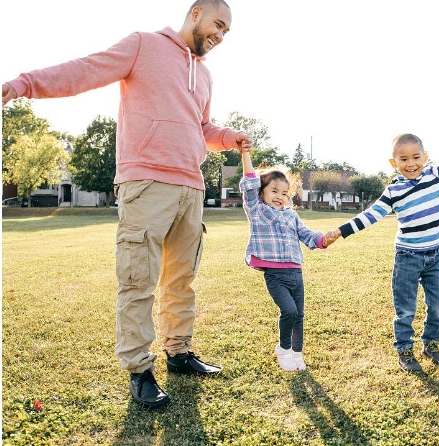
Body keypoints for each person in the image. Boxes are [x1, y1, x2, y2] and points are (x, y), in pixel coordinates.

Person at [2, 0, 254, 408]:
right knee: (138, 281)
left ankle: (179, 352)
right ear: (195, 13)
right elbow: (85, 70)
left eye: (227, 31)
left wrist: (228, 136)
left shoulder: (204, 74)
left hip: (191, 188)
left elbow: (200, 125)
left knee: (181, 279)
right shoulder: (143, 45)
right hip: (146, 184)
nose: (220, 35)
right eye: (218, 24)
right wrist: (24, 83)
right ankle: (139, 370)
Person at [322, 127, 439, 372]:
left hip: (435, 257)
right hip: (407, 258)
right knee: (406, 309)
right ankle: (404, 349)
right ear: (394, 163)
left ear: (425, 157)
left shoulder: (438, 175)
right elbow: (372, 215)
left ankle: (430, 344)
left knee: (438, 305)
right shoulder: (393, 191)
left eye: (416, 157)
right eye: (403, 159)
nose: (411, 164)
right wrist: (341, 231)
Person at [239, 149, 330, 372]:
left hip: (296, 273)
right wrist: (245, 153)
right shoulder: (257, 210)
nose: (280, 196)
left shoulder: (291, 214)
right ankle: (284, 349)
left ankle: (297, 354)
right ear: (261, 193)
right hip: (275, 275)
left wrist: (322, 240)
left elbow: (307, 234)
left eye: (284, 193)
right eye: (274, 191)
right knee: (288, 312)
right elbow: (249, 183)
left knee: (299, 315)